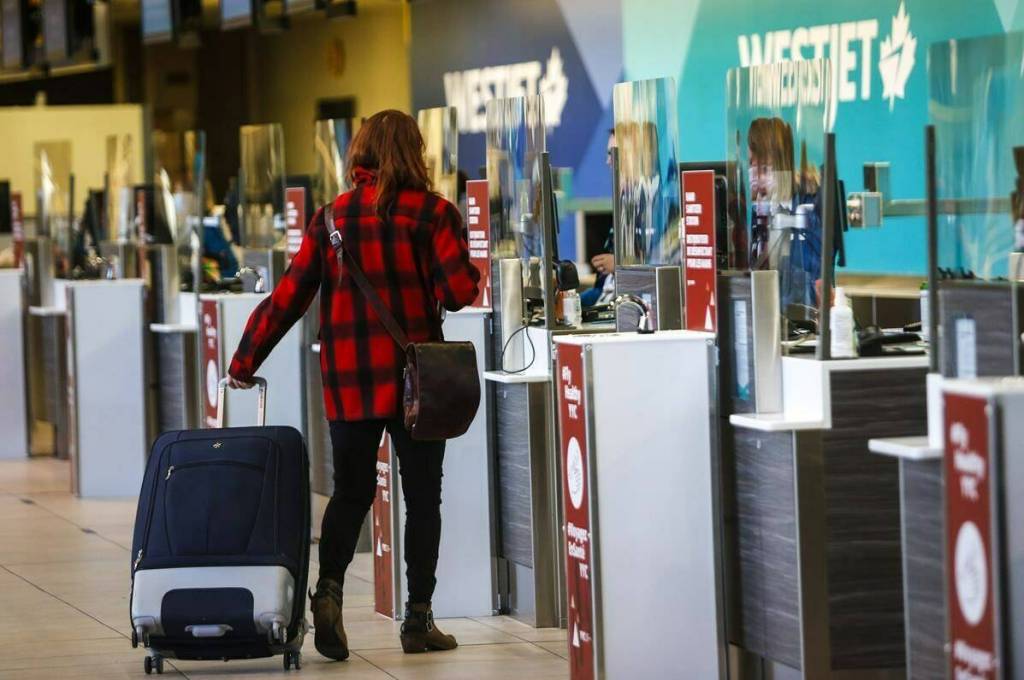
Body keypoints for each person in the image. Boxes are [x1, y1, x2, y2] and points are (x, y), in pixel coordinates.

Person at [226, 110, 480, 660]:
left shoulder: (332, 218)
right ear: (415, 153)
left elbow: (289, 298)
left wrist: (245, 360)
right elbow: (461, 292)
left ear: (360, 153)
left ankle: (330, 592)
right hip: (419, 383)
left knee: (351, 491)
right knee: (422, 497)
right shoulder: (435, 215)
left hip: (350, 380)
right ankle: (417, 619)